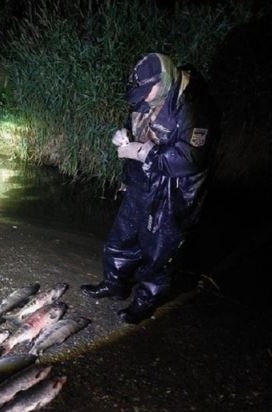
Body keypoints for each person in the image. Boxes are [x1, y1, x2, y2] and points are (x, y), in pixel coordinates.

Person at [80, 53, 218, 324]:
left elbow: (190, 159)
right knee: (121, 239)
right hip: (140, 182)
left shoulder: (197, 107)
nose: (143, 97)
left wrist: (143, 152)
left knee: (158, 253)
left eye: (147, 91)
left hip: (172, 193)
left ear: (163, 80)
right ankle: (115, 285)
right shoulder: (147, 94)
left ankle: (144, 301)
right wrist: (124, 135)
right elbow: (137, 122)